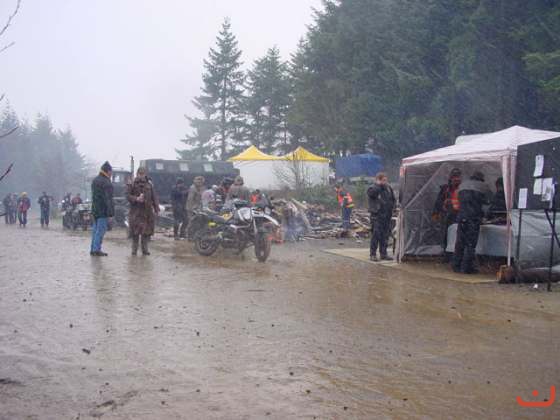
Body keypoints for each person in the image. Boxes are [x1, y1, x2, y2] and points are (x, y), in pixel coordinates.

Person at [452, 171, 492, 274]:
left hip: (461, 217)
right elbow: (489, 201)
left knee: (459, 242)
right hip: (473, 218)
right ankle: (466, 267)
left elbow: (458, 200)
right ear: (481, 178)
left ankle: (456, 265)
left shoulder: (462, 185)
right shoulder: (483, 186)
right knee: (470, 244)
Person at [127, 167, 159, 256]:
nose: (141, 176)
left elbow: (154, 197)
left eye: (143, 174)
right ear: (137, 174)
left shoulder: (149, 184)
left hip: (146, 212)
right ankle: (134, 250)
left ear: (145, 174)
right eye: (140, 174)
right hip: (136, 212)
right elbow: (127, 195)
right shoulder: (132, 184)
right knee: (135, 233)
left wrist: (156, 208)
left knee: (145, 232)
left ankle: (145, 250)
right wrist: (136, 198)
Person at [432, 168, 462, 260]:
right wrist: (436, 212)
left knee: (458, 235)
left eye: (458, 177)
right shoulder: (445, 189)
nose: (456, 179)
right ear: (451, 178)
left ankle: (456, 255)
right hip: (447, 215)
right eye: (454, 177)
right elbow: (438, 201)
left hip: (459, 215)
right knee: (446, 235)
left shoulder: (463, 188)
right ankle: (447, 254)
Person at [367, 173, 396, 261]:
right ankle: (373, 254)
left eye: (386, 180)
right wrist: (378, 185)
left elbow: (393, 199)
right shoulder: (373, 188)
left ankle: (383, 254)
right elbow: (372, 194)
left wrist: (393, 208)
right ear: (378, 180)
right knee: (376, 235)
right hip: (377, 216)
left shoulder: (388, 188)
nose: (385, 182)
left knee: (385, 236)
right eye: (383, 180)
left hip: (386, 216)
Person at [90, 161, 114, 257]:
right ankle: (96, 250)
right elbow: (108, 199)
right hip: (103, 210)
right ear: (108, 171)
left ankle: (93, 249)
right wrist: (110, 213)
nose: (111, 174)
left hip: (95, 209)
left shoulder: (95, 180)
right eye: (111, 172)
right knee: (101, 230)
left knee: (95, 230)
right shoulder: (106, 182)